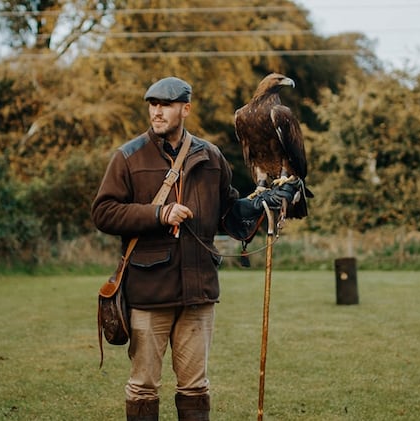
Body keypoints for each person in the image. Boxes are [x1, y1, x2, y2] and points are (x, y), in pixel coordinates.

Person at [91, 77, 303, 421]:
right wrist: (159, 213)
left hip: (198, 292)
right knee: (143, 386)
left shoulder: (211, 156)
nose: (157, 112)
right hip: (150, 292)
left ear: (185, 109)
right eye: (153, 104)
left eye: (166, 105)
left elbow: (227, 214)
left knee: (195, 387)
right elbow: (103, 212)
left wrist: (256, 206)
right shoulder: (128, 156)